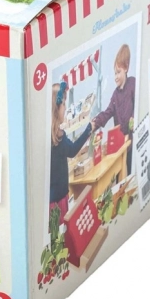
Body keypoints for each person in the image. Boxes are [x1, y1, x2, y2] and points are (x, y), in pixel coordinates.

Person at [50, 82, 94, 223]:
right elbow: (73, 150)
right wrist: (89, 129)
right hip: (59, 199)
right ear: (56, 109)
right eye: (63, 104)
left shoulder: (51, 135)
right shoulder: (58, 136)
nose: (65, 108)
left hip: (51, 198)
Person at [92, 44, 135, 174]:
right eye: (114, 73)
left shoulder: (132, 84)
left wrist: (134, 117)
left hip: (131, 140)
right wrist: (95, 122)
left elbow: (138, 103)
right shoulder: (115, 95)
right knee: (118, 172)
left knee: (130, 168)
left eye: (118, 72)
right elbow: (108, 112)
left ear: (126, 68)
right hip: (119, 142)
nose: (115, 76)